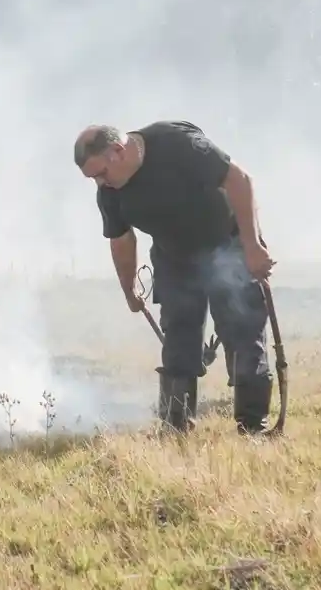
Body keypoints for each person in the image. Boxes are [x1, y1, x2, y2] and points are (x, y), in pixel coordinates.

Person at [73, 121, 275, 434]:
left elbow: (238, 179)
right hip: (175, 259)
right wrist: (129, 291)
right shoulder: (110, 192)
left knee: (243, 331)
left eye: (101, 173)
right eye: (92, 178)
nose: (100, 183)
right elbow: (122, 240)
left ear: (117, 151)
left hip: (228, 244)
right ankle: (175, 428)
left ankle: (253, 428)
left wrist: (252, 245)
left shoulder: (177, 144)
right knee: (179, 342)